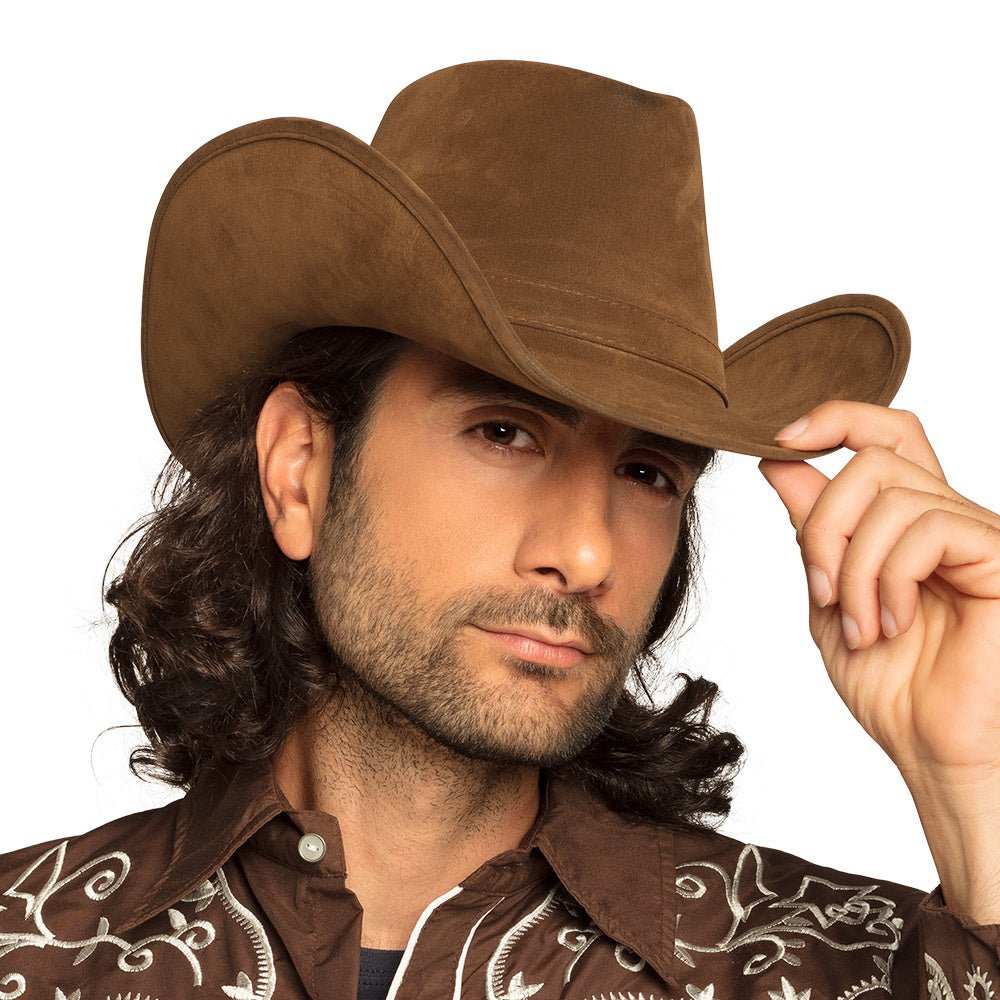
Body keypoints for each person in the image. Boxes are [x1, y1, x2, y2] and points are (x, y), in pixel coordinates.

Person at [2, 58, 997, 1000]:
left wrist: (981, 780)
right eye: (504, 432)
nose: (590, 554)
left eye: (647, 472)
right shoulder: (30, 955)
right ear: (299, 469)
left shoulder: (837, 970)